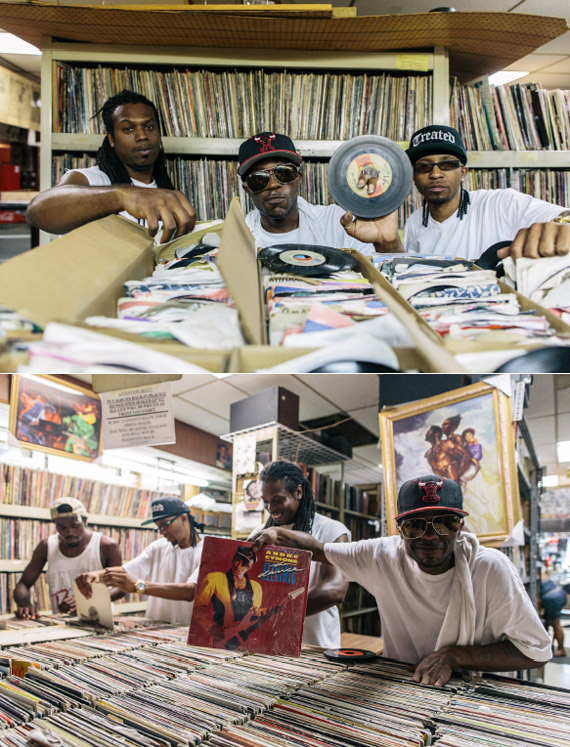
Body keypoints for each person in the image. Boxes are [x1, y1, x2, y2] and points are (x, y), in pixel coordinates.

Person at [251, 473, 552, 686]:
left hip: (468, 693)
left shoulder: (490, 569)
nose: (430, 536)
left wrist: (454, 656)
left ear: (460, 527)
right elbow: (319, 549)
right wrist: (276, 534)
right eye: (415, 526)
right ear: (399, 530)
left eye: (444, 523)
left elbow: (536, 650)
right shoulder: (383, 556)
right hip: (396, 687)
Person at [375, 125, 569, 261]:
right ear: (413, 176)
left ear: (463, 172)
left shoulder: (501, 203)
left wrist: (562, 226)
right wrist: (387, 243)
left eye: (447, 164)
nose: (435, 174)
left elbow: (562, 216)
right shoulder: (414, 221)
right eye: (424, 167)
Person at [26, 90, 196, 242]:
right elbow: (37, 212)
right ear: (111, 139)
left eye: (149, 126)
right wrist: (124, 197)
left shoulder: (165, 189)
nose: (142, 136)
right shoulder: (91, 179)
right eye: (128, 129)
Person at [238, 131, 401, 255]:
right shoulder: (237, 238)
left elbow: (388, 279)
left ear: (298, 178)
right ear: (247, 189)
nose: (273, 185)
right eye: (258, 179)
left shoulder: (338, 222)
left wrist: (388, 243)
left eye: (284, 173)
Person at [249, 459, 350, 649]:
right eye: (265, 502)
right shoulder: (259, 533)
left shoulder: (332, 530)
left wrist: (278, 611)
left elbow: (336, 589)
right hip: (268, 643)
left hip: (315, 646)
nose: (270, 508)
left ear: (298, 492)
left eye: (277, 500)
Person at [76, 496, 203, 625]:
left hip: (187, 631)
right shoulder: (158, 547)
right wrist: (97, 575)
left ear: (183, 518)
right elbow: (128, 570)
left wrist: (138, 586)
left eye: (165, 525)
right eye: (158, 527)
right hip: (157, 628)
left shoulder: (206, 551)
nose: (161, 532)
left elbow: (190, 592)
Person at [14, 497, 122, 618]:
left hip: (99, 620)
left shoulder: (106, 546)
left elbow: (122, 587)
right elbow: (23, 583)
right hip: (61, 622)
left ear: (85, 521)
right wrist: (25, 604)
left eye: (74, 526)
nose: (69, 532)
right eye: (62, 527)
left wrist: (86, 600)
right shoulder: (47, 546)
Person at [191, 546, 264, 648]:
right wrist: (210, 627)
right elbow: (197, 607)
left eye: (244, 564)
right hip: (220, 638)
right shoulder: (214, 579)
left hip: (241, 641)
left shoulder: (256, 587)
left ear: (250, 567)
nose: (238, 566)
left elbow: (253, 615)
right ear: (233, 559)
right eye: (237, 560)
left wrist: (266, 613)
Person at [540, 575, 568, 656]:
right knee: (554, 624)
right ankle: (556, 648)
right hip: (560, 594)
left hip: (552, 598)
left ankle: (561, 649)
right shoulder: (542, 574)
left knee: (555, 625)